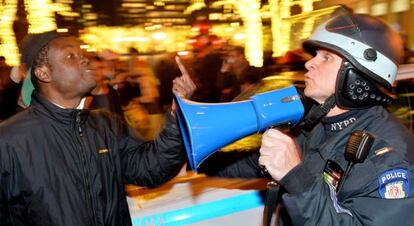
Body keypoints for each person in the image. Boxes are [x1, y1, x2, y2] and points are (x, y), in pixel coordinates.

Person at [199, 8, 414, 225]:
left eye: (326, 57)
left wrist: (296, 177)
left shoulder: (388, 160)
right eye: (315, 55)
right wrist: (200, 159)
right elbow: (254, 164)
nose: (309, 63)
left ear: (357, 77)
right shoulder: (320, 127)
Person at [0, 31, 195, 225]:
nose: (84, 61)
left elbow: (150, 169)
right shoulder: (10, 140)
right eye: (70, 56)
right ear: (43, 73)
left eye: (82, 55)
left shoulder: (107, 125)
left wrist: (177, 114)